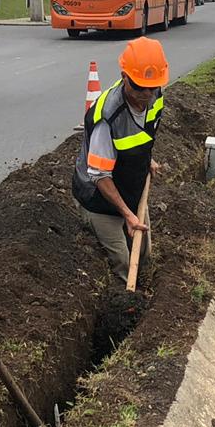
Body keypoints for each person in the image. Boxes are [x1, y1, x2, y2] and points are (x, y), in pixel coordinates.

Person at [73, 37, 168, 283]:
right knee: (124, 264)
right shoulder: (108, 116)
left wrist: (147, 159)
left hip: (131, 186)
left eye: (152, 86)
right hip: (98, 198)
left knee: (144, 254)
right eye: (139, 87)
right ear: (125, 77)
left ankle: (146, 294)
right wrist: (127, 214)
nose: (146, 94)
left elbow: (141, 134)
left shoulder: (155, 95)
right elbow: (100, 175)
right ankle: (121, 301)